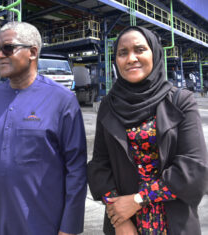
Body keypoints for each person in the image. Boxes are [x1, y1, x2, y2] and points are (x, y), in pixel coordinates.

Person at [0, 21, 87, 235]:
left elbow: (77, 169)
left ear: (33, 52)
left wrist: (69, 227)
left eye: (7, 48)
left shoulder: (62, 101)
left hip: (43, 220)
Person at [87, 26, 208, 235]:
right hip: (126, 225)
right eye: (122, 53)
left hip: (175, 224)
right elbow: (99, 165)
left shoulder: (180, 101)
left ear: (155, 53)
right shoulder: (108, 105)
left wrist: (138, 199)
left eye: (140, 49)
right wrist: (119, 219)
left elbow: (194, 168)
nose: (131, 58)